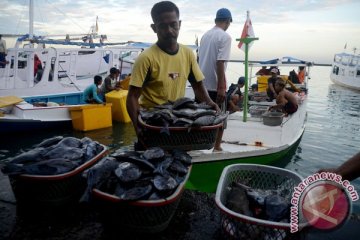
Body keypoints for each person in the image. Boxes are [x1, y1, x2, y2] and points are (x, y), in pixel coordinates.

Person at [126, 1, 219, 149]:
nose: (169, 30)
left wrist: (210, 103)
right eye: (163, 26)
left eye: (173, 24)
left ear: (179, 24)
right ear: (154, 28)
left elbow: (198, 86)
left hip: (178, 122)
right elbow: (132, 97)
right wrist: (138, 127)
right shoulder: (146, 58)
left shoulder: (188, 53)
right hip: (153, 124)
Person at [198, 8, 232, 151]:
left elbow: (198, 59)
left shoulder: (205, 36)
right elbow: (220, 63)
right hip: (214, 85)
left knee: (200, 116)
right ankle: (217, 146)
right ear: (228, 21)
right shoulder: (225, 37)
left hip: (200, 86)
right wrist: (222, 88)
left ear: (215, 20)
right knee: (220, 117)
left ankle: (199, 145)